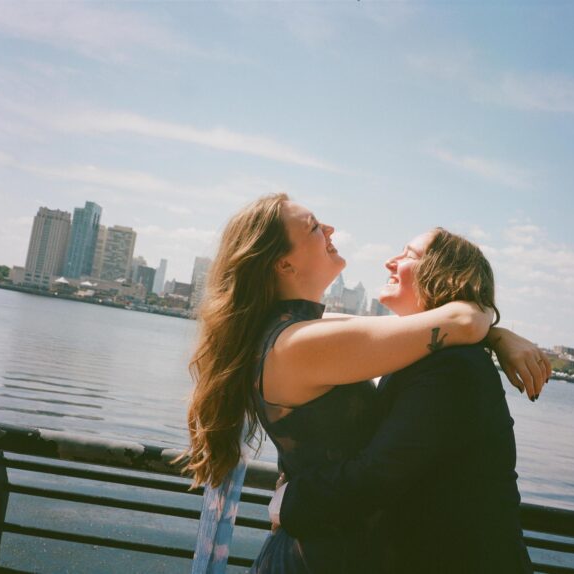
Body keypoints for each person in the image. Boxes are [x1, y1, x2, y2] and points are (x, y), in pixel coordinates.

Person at [183, 194, 548, 572]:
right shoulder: (302, 344)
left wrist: (497, 334)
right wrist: (491, 324)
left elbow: (424, 330)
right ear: (284, 263)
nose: (329, 229)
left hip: (328, 546)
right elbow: (465, 321)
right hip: (321, 555)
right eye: (312, 226)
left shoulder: (300, 333)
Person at [270, 228, 537, 573]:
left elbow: (381, 472)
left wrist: (290, 501)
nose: (389, 262)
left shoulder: (450, 367)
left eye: (409, 254)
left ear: (446, 276)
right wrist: (494, 331)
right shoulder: (425, 355)